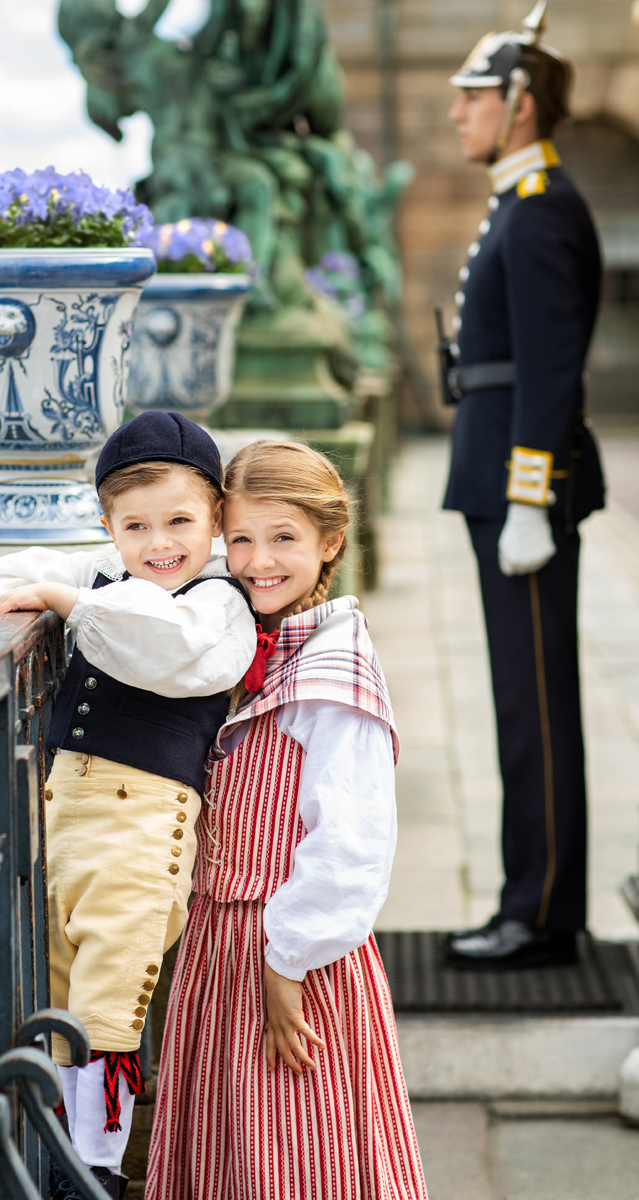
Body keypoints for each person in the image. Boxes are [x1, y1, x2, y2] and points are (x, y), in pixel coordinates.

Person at [0, 411, 257, 1200]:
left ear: (217, 519)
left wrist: (70, 599)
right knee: (60, 993)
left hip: (143, 818)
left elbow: (173, 649)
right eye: (137, 525)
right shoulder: (107, 573)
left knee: (111, 999)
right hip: (67, 813)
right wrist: (15, 601)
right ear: (107, 525)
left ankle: (94, 1166)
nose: (161, 543)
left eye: (181, 522)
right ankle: (60, 1152)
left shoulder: (216, 601)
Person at [146, 439, 427, 1200]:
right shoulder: (257, 646)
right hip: (224, 943)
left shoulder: (333, 677)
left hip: (288, 955)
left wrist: (285, 964)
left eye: (283, 539)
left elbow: (351, 843)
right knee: (230, 1143)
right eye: (238, 538)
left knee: (298, 1150)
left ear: (330, 543)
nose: (256, 561)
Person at [441, 1, 605, 970]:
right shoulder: (517, 198)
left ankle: (539, 915)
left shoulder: (542, 206)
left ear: (519, 102)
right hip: (499, 476)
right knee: (519, 701)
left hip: (519, 487)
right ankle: (534, 902)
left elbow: (552, 368)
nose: (457, 113)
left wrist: (533, 497)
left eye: (473, 98)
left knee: (533, 706)